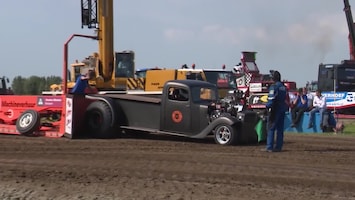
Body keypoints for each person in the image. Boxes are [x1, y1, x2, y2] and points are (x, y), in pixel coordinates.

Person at [262, 70, 287, 152]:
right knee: (280, 129)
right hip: (282, 108)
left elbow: (271, 99)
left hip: (274, 109)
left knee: (271, 128)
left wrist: (266, 107)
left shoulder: (274, 87)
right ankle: (278, 147)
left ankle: (269, 147)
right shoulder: (283, 87)